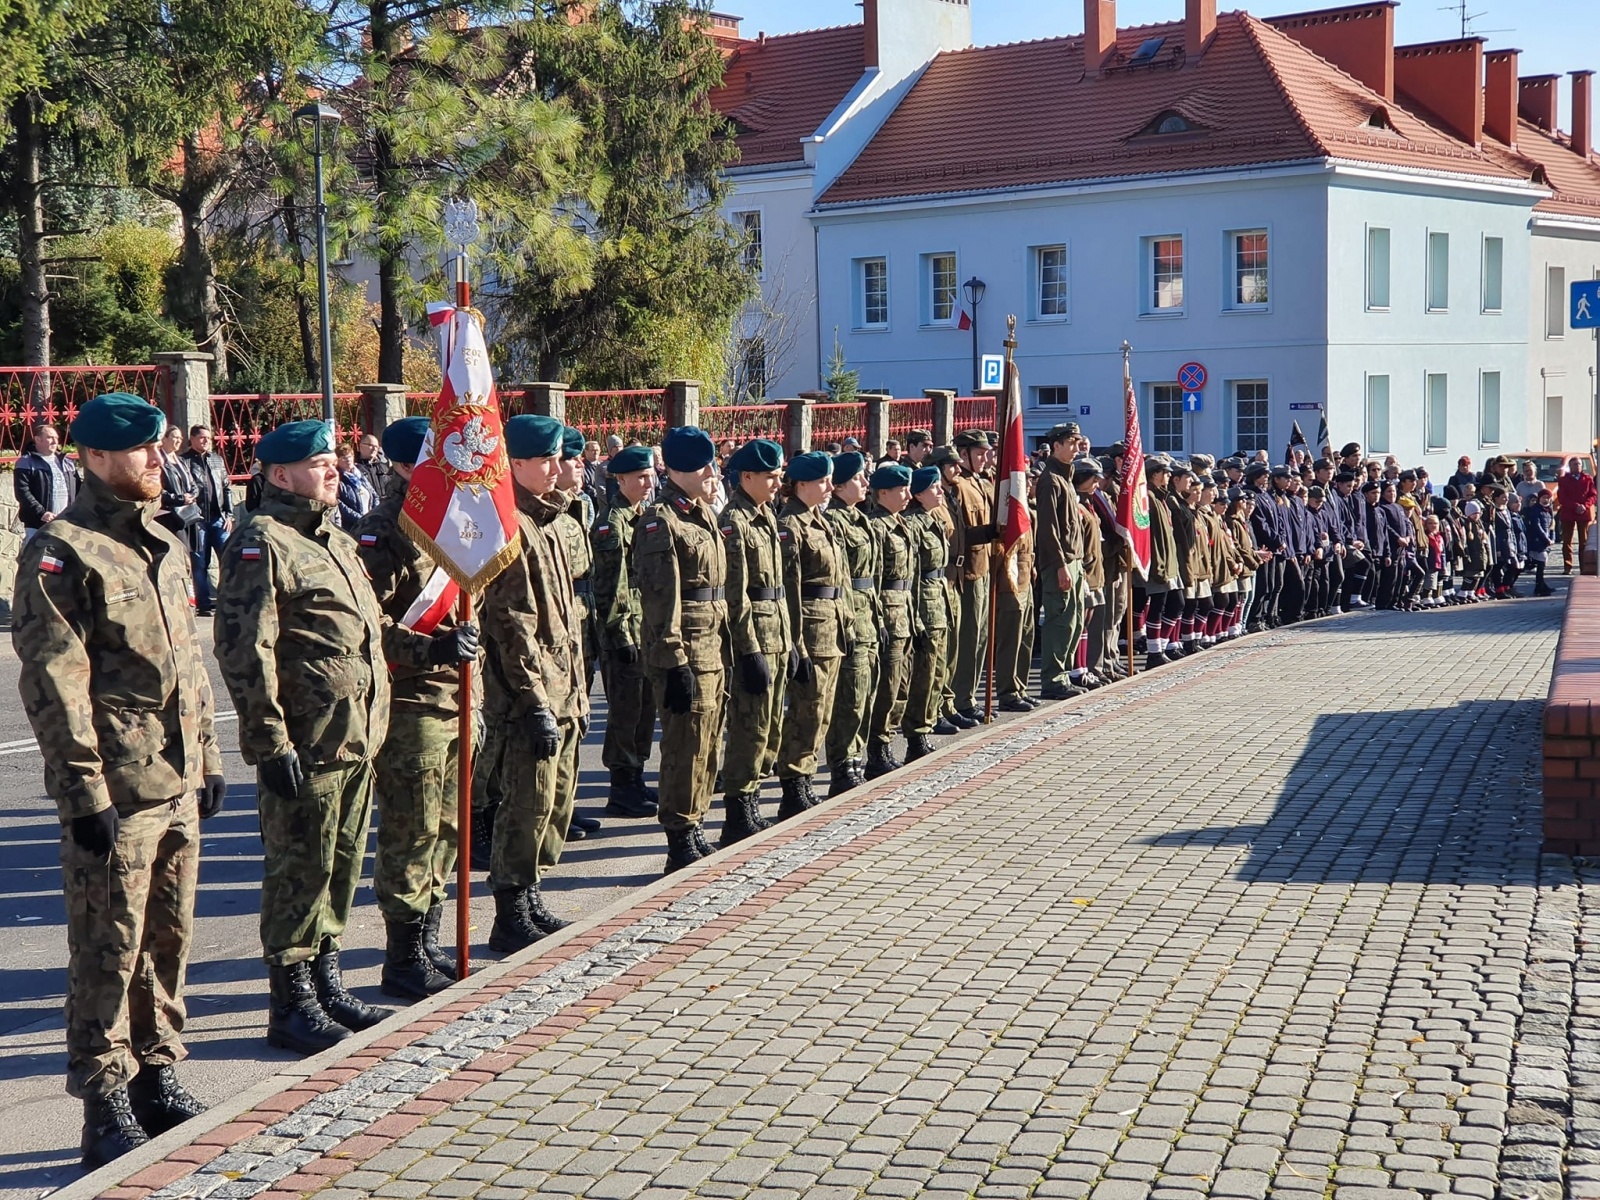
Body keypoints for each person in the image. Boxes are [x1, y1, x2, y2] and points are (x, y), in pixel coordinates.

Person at [13, 393, 226, 1168]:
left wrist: (206, 757)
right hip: (117, 791)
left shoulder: (163, 542)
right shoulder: (63, 551)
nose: (157, 460)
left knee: (166, 940)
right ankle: (103, 1102)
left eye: (160, 448)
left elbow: (188, 671)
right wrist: (82, 793)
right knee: (108, 950)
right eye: (142, 450)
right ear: (95, 457)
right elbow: (55, 683)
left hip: (173, 784)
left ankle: (157, 1074)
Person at [213, 419, 392, 1056]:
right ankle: (289, 1004)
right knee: (299, 871)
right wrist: (268, 742)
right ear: (279, 474)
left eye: (335, 461)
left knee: (338, 866)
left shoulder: (333, 540)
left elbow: (364, 636)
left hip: (353, 735)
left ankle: (326, 980)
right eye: (321, 463)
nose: (335, 470)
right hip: (307, 738)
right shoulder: (262, 542)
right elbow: (244, 650)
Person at [352, 417, 479, 1001]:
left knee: (449, 829)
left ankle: (427, 939)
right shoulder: (384, 532)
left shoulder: (450, 527)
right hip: (412, 705)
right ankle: (401, 959)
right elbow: (370, 627)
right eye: (437, 459)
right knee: (412, 831)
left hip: (454, 698)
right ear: (407, 466)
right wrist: (431, 647)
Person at [477, 414, 588, 946]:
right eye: (543, 459)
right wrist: (534, 698)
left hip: (563, 685)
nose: (555, 467)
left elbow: (565, 622)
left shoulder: (547, 522)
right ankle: (510, 909)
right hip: (529, 694)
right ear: (514, 464)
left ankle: (531, 892)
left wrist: (577, 692)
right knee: (525, 801)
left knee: (553, 801)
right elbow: (511, 624)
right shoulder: (510, 526)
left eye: (556, 458)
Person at [633, 427, 729, 872]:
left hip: (712, 643)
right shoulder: (661, 521)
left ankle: (696, 822)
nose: (711, 472)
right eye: (701, 466)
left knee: (707, 740)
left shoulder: (702, 514)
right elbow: (660, 598)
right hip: (686, 648)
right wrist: (673, 661)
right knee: (684, 744)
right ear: (676, 470)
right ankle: (678, 832)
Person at [718, 438, 794, 843]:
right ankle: (738, 808)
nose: (778, 482)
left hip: (776, 632)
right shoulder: (735, 522)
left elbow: (780, 587)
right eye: (771, 476)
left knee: (769, 725)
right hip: (756, 638)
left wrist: (790, 641)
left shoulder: (765, 515)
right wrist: (747, 650)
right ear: (746, 476)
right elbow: (737, 593)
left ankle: (753, 799)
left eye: (779, 475)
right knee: (749, 726)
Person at [775, 450, 851, 816]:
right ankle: (793, 782)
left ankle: (804, 776)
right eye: (822, 481)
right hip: (810, 627)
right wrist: (796, 643)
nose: (828, 487)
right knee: (806, 710)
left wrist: (847, 621)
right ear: (801, 485)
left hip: (831, 625)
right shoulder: (790, 525)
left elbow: (841, 580)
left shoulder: (820, 520)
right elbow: (790, 588)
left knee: (822, 710)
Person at [590, 444, 660, 820]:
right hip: (625, 632)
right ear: (621, 479)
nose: (648, 483)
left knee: (644, 707)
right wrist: (620, 635)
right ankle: (621, 786)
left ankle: (635, 777)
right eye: (640, 477)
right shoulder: (611, 523)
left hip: (642, 626)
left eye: (650, 476)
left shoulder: (639, 517)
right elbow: (611, 586)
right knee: (626, 710)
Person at [822, 451, 880, 795]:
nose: (865, 484)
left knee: (866, 692)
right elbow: (842, 579)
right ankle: (842, 763)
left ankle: (857, 757)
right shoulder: (836, 522)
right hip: (850, 616)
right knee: (850, 696)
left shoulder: (860, 519)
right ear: (840, 485)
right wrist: (848, 624)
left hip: (868, 613)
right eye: (859, 478)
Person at [864, 463, 918, 773]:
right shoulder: (877, 527)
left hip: (905, 612)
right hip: (888, 612)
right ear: (883, 492)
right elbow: (875, 578)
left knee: (900, 686)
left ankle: (886, 741)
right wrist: (880, 620)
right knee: (885, 688)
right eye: (902, 489)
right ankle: (877, 748)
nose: (908, 495)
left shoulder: (901, 523)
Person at [901, 465, 955, 762]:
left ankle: (927, 722)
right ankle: (916, 733)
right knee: (922, 674)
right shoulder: (913, 524)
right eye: (934, 488)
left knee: (936, 670)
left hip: (938, 600)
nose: (940, 492)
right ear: (919, 494)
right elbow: (912, 572)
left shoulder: (931, 519)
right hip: (923, 603)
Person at [947, 430, 996, 724]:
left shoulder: (980, 482)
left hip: (985, 566)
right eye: (979, 454)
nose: (985, 458)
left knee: (980, 638)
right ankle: (962, 697)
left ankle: (970, 695)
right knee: (968, 639)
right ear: (963, 454)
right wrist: (993, 531)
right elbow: (961, 533)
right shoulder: (959, 486)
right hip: (968, 571)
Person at [1035, 424, 1086, 697]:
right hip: (1061, 562)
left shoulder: (1065, 477)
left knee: (1075, 620)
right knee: (1060, 620)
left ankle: (1063, 675)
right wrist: (1059, 565)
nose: (1077, 448)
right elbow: (1048, 529)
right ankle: (1053, 681)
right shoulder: (1050, 480)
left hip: (1074, 559)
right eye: (1072, 443)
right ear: (1056, 445)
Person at [181, 426, 233, 616]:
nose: (205, 441)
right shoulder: (184, 461)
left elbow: (226, 487)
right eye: (201, 438)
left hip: (219, 519)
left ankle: (228, 600)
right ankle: (203, 604)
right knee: (199, 563)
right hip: (198, 520)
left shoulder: (216, 460)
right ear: (192, 439)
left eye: (208, 439)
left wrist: (229, 514)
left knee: (228, 560)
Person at [14, 421, 79, 540]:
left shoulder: (67, 463)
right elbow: (22, 492)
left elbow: (79, 489)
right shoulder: (26, 463)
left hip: (66, 524)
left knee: (62, 558)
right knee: (37, 557)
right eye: (50, 438)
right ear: (38, 440)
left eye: (56, 438)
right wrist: (42, 513)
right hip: (37, 524)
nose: (55, 441)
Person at [156, 423, 200, 548]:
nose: (179, 441)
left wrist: (192, 495)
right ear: (164, 439)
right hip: (170, 515)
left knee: (190, 553)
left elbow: (193, 483)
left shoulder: (181, 461)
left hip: (188, 514)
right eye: (175, 437)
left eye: (180, 438)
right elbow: (157, 490)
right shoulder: (159, 461)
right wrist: (180, 499)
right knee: (179, 549)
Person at [1557, 456, 1596, 574]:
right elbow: (1562, 497)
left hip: (1583, 513)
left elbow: (1593, 495)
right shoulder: (1564, 480)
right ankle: (1567, 566)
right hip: (1568, 513)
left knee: (1583, 541)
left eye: (1579, 464)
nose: (1577, 466)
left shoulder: (1587, 479)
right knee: (1567, 541)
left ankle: (1584, 567)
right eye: (1575, 464)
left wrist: (1585, 505)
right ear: (1570, 467)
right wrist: (1575, 506)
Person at [335, 440, 380, 530]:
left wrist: (373, 515)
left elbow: (374, 495)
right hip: (351, 527)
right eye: (343, 458)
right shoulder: (337, 478)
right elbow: (339, 504)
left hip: (369, 523)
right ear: (337, 461)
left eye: (350, 456)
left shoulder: (360, 473)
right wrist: (361, 519)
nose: (348, 460)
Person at [1526, 488, 1556, 597]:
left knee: (1542, 564)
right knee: (1540, 563)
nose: (1546, 500)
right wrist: (1545, 538)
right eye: (1544, 497)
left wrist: (1552, 538)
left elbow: (1552, 525)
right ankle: (1539, 585)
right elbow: (1536, 526)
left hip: (1546, 541)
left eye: (1548, 498)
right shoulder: (1536, 510)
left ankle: (1541, 584)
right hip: (1537, 541)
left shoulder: (1549, 510)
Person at [355, 432, 393, 499]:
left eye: (376, 446)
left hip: (384, 506)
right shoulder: (355, 468)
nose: (374, 449)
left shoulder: (383, 467)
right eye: (371, 445)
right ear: (361, 446)